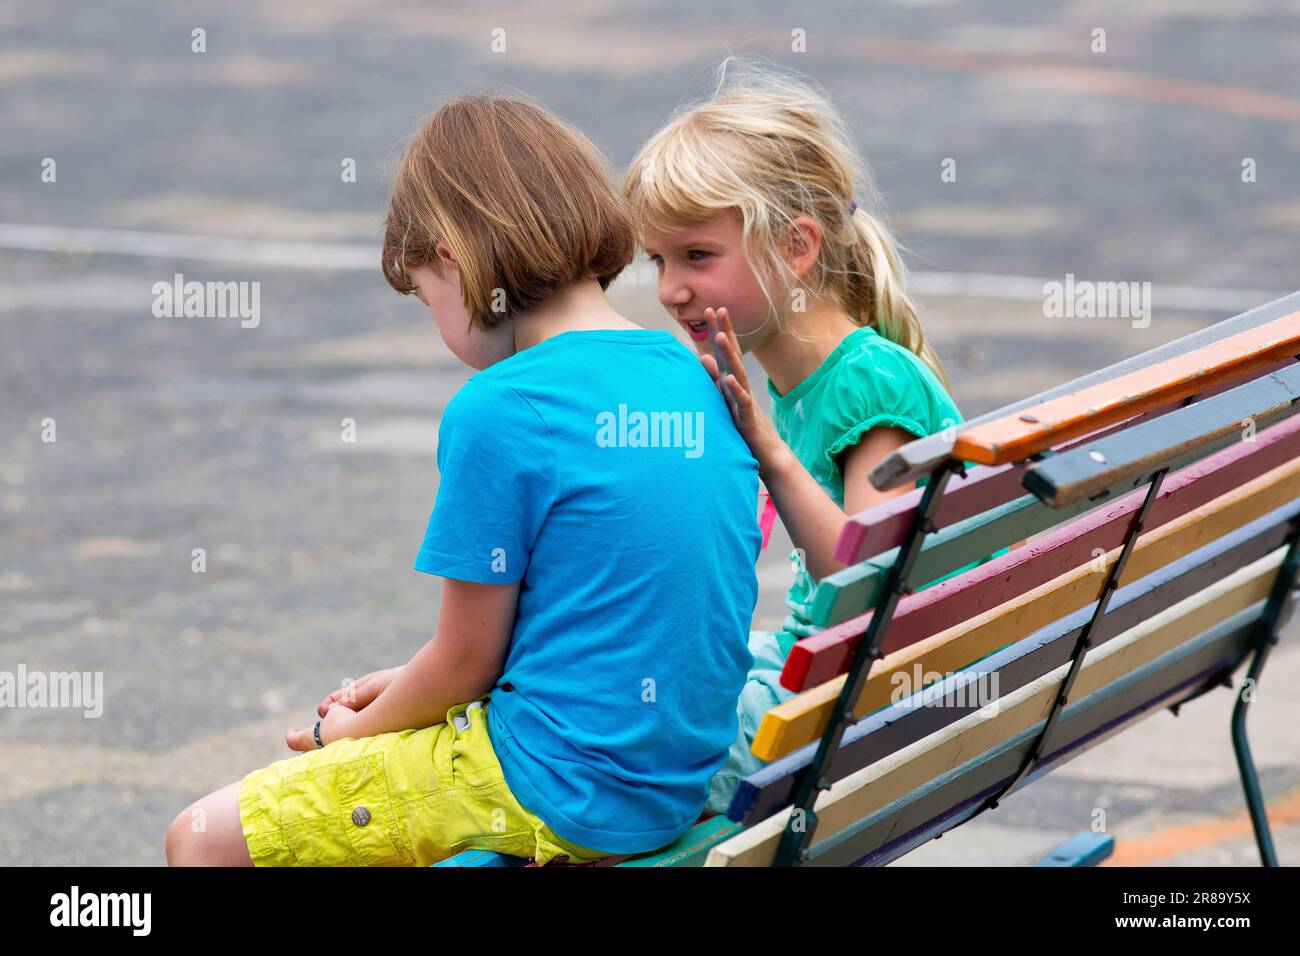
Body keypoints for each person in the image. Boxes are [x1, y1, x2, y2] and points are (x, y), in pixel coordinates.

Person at [166, 93, 761, 866]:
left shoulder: (503, 407)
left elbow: (465, 663)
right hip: (666, 784)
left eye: (425, 297)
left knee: (202, 838)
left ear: (452, 256)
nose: (437, 320)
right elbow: (594, 620)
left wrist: (340, 733)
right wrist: (401, 684)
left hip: (554, 788)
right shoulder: (685, 373)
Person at [623, 58, 1003, 816]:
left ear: (796, 247)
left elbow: (866, 583)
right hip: (831, 684)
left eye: (698, 256)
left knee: (609, 767)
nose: (670, 289)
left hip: (854, 708)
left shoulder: (870, 384)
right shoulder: (809, 377)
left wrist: (765, 448)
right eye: (658, 260)